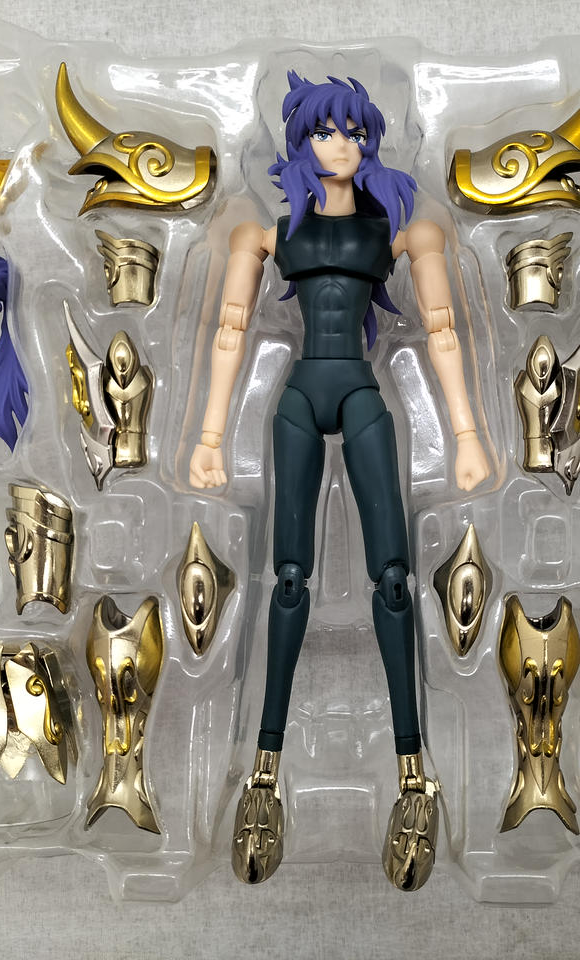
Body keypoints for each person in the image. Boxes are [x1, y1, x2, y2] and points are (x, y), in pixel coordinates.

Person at [188, 71, 489, 890]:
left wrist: (465, 434)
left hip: (359, 391)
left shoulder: (398, 229)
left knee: (394, 579)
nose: (342, 144)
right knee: (288, 579)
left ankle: (413, 773)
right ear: (300, 140)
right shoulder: (266, 230)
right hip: (298, 397)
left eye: (355, 132)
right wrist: (209, 438)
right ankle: (263, 771)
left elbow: (442, 329)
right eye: (326, 131)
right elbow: (228, 331)